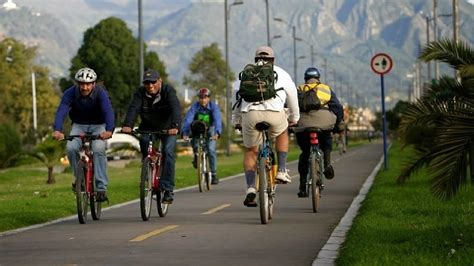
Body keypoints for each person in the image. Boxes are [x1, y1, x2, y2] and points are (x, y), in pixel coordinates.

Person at [232, 46, 300, 207]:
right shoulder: (282, 73)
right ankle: (282, 170)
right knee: (282, 131)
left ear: (255, 59)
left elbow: (236, 99)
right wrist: (294, 118)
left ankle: (250, 187)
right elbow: (292, 98)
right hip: (275, 114)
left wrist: (236, 120)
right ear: (273, 60)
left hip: (250, 115)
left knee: (251, 151)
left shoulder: (245, 73)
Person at [52, 67, 115, 202]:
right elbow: (62, 110)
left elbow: (108, 111)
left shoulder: (100, 93)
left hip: (99, 125)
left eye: (88, 84)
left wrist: (109, 130)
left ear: (93, 83)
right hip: (79, 125)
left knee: (98, 149)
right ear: (77, 83)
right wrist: (57, 129)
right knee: (71, 148)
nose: (85, 87)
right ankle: (79, 178)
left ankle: (101, 188)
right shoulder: (70, 93)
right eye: (81, 84)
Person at [121, 69, 181, 204]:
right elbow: (133, 108)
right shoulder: (140, 93)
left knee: (168, 152)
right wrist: (128, 125)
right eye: (147, 83)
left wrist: (176, 126)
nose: (150, 85)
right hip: (148, 127)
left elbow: (175, 108)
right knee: (144, 140)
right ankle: (147, 167)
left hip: (167, 129)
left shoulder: (168, 91)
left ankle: (167, 189)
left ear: (160, 81)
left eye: (153, 82)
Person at [294, 67, 344, 198]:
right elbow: (337, 107)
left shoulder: (299, 89)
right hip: (324, 122)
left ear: (305, 79)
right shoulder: (325, 89)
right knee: (326, 142)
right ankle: (327, 163)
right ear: (318, 78)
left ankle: (302, 186)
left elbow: (291, 107)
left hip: (303, 124)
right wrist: (338, 122)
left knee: (305, 153)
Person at [182, 87, 222, 185]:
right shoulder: (195, 107)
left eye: (205, 97)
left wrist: (217, 133)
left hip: (210, 129)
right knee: (195, 143)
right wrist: (185, 133)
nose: (203, 100)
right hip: (198, 128)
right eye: (201, 97)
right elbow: (188, 119)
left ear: (209, 98)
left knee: (211, 150)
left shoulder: (213, 107)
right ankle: (196, 155)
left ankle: (214, 174)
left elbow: (217, 120)